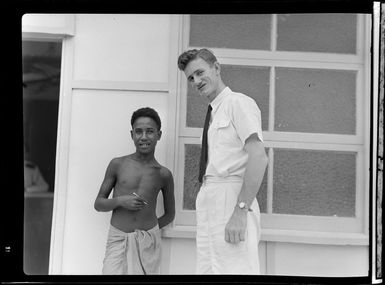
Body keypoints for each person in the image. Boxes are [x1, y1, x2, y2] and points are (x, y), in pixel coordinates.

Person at [177, 48, 268, 274]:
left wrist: (240, 211)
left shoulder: (238, 103)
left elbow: (258, 156)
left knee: (236, 271)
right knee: (209, 270)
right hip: (211, 199)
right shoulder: (215, 112)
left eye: (200, 72)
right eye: (191, 78)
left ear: (216, 68)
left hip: (232, 198)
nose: (196, 81)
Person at [94, 107, 175, 275]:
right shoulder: (118, 164)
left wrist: (149, 231)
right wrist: (120, 201)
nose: (144, 137)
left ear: (158, 135)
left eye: (150, 131)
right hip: (118, 238)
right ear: (132, 134)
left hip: (148, 242)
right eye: (139, 132)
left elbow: (170, 215)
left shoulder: (164, 174)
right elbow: (98, 204)